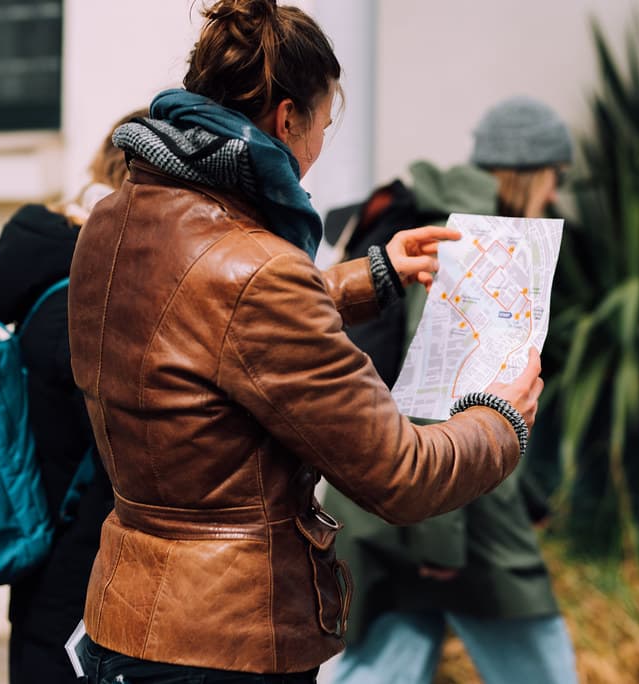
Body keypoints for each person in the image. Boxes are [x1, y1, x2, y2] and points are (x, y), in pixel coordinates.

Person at [66, 2, 543, 683]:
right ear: (287, 120)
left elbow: (201, 317)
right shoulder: (258, 272)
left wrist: (370, 275)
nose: (319, 147)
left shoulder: (111, 223)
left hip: (126, 613)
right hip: (228, 642)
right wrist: (502, 420)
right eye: (323, 123)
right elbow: (400, 473)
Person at [322, 96, 578, 684]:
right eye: (556, 178)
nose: (557, 196)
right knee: (543, 671)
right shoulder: (486, 243)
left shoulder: (416, 216)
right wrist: (439, 542)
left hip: (382, 507)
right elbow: (443, 399)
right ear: (529, 172)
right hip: (457, 516)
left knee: (385, 663)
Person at [0, 108, 146, 684]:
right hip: (81, 584)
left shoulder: (52, 269)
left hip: (43, 557)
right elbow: (126, 454)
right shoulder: (93, 296)